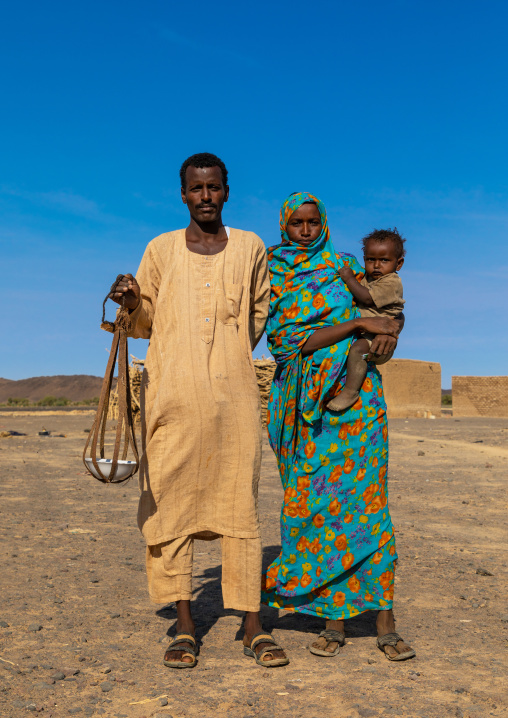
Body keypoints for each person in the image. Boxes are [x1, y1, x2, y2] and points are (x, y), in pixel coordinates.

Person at [109, 153, 288, 669]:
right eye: (196, 189)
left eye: (213, 188)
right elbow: (143, 321)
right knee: (172, 504)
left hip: (233, 399)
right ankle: (185, 625)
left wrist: (223, 352)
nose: (205, 196)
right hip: (172, 398)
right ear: (182, 194)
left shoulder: (251, 246)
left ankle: (252, 624)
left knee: (239, 503)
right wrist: (131, 299)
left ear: (227, 191)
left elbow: (258, 312)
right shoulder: (160, 249)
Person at [261, 192, 415, 662]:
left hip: (358, 402)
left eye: (312, 223)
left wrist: (388, 330)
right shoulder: (271, 270)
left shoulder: (344, 263)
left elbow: (391, 311)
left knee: (368, 507)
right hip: (304, 403)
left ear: (323, 222)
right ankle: (333, 623)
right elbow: (288, 343)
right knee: (319, 509)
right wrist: (356, 326)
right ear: (285, 225)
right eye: (296, 224)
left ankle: (385, 623)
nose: (305, 231)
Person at [327, 228, 405, 412]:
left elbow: (367, 298)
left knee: (359, 351)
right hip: (366, 333)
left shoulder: (391, 282)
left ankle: (351, 391)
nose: (377, 265)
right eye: (371, 259)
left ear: (398, 264)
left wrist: (348, 278)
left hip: (377, 341)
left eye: (384, 260)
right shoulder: (369, 278)